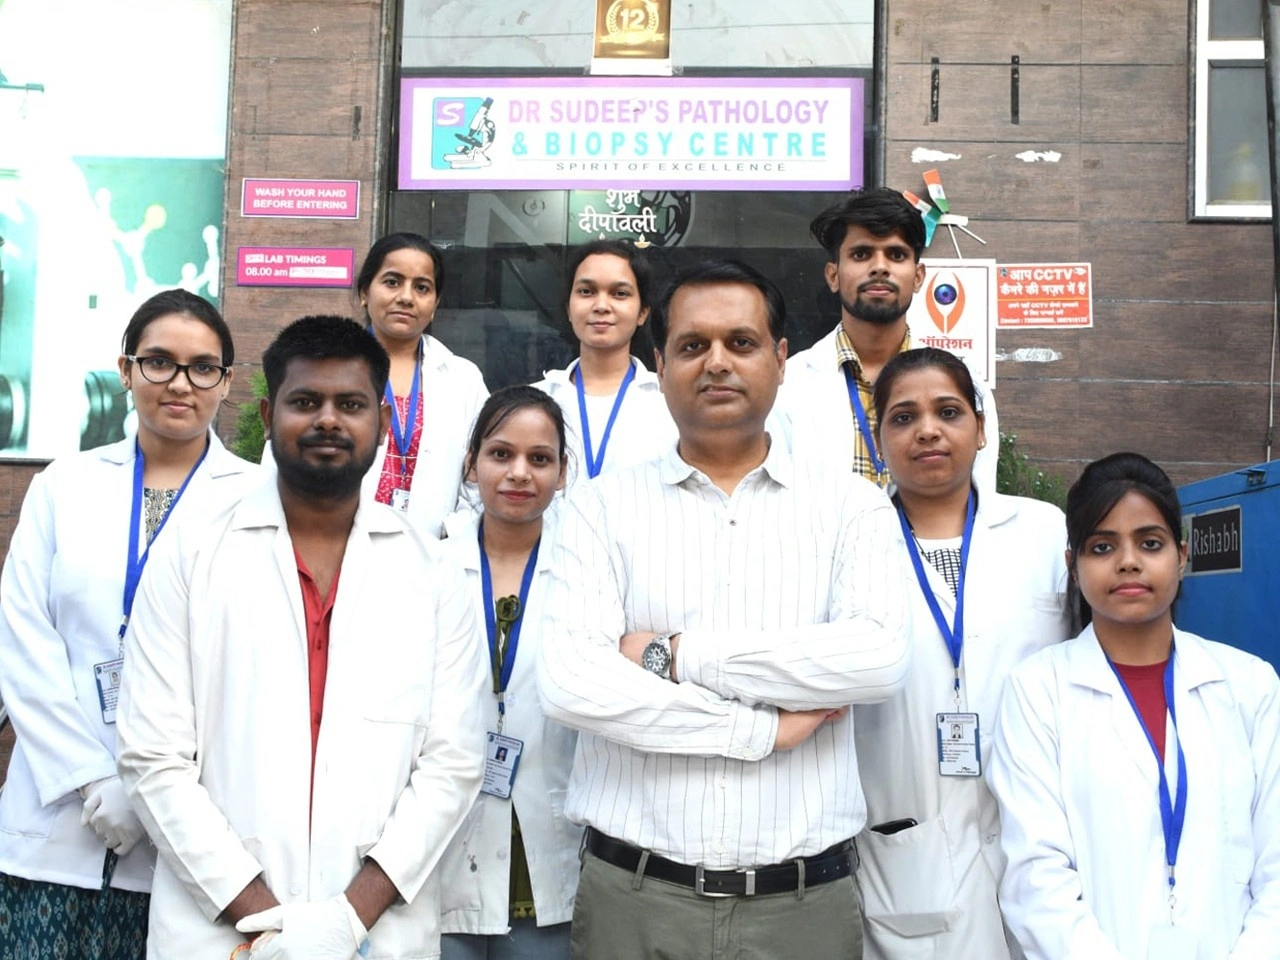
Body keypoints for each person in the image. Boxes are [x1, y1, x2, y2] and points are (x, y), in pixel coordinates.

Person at [537, 259, 910, 960]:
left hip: (801, 908)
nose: (715, 363)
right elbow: (571, 682)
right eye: (691, 345)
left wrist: (677, 655)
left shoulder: (849, 507)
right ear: (660, 363)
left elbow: (877, 660)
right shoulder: (599, 508)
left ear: (779, 359)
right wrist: (756, 731)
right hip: (635, 902)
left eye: (740, 343)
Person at [115, 315, 489, 959]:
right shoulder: (191, 554)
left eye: (350, 404)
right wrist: (270, 924)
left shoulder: (432, 572)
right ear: (268, 412)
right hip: (222, 932)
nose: (328, 421)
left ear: (380, 418)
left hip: (375, 933)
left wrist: (347, 918)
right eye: (305, 401)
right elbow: (153, 757)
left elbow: (453, 763)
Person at [0, 289, 255, 958]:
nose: (180, 383)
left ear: (227, 382)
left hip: (189, 837)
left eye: (203, 367)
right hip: (56, 818)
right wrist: (92, 778)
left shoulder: (256, 502)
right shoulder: (65, 484)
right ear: (125, 369)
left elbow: (249, 666)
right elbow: (22, 643)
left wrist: (155, 794)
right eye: (159, 362)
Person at [988, 452, 1280, 959]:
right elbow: (1036, 877)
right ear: (1072, 567)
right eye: (1102, 546)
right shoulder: (1036, 691)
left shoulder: (1250, 685)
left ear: (1182, 556)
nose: (1128, 560)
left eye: (1150, 542)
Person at [851, 347, 1070, 960]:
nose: (927, 430)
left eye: (948, 411)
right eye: (903, 417)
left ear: (979, 426)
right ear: (878, 437)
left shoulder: (1044, 533)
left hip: (1040, 836)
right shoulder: (851, 543)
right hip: (906, 837)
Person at [438, 386, 581, 960]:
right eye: (501, 454)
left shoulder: (585, 568)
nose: (519, 473)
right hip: (447, 839)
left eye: (539, 459)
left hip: (551, 834)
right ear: (471, 463)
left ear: (563, 471)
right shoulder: (430, 562)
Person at [261, 233, 489, 537]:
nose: (406, 297)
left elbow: (481, 469)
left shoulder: (463, 378)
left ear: (435, 304)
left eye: (422, 287)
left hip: (430, 551)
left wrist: (454, 530)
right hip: (332, 542)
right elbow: (280, 459)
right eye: (392, 282)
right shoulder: (321, 365)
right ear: (365, 291)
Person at [780, 187, 998, 490]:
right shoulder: (788, 387)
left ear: (918, 276)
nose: (880, 267)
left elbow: (979, 499)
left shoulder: (965, 383)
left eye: (896, 255)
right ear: (833, 276)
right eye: (861, 254)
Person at [532, 240, 676, 484]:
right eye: (586, 292)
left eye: (619, 293)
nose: (601, 306)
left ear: (643, 312)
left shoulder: (671, 403)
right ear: (568, 308)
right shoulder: (533, 402)